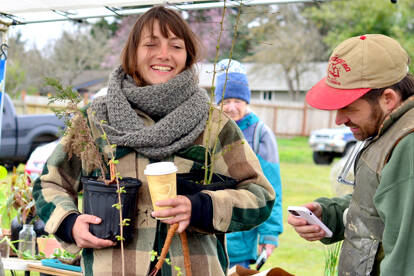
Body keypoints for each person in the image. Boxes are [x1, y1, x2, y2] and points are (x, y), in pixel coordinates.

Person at [32, 6, 275, 276]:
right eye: (151, 44)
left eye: (176, 46)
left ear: (188, 55)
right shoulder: (95, 120)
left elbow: (260, 196)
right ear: (132, 52)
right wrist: (70, 223)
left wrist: (201, 207)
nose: (164, 54)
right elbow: (50, 182)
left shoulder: (214, 125)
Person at [288, 34, 414, 276]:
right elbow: (383, 206)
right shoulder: (388, 130)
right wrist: (330, 214)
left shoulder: (408, 145)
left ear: (388, 98)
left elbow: (405, 261)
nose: (339, 119)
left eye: (349, 107)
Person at [215, 59, 283, 268]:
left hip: (241, 238)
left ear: (246, 101)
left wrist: (269, 235)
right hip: (209, 235)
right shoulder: (211, 130)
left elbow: (272, 188)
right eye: (226, 101)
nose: (231, 107)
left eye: (237, 100)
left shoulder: (259, 133)